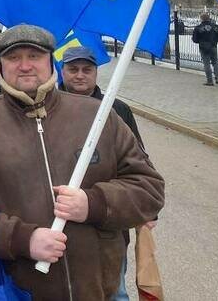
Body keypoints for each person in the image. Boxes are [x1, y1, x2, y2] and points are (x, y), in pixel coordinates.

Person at [0, 25, 165, 300]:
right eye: (13, 58)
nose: (25, 66)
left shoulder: (97, 115)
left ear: (51, 61)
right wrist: (22, 239)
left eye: (34, 55)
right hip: (15, 290)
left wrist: (94, 204)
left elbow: (149, 188)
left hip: (98, 289)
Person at [57, 45, 152, 301]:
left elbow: (140, 163)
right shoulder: (49, 109)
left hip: (109, 219)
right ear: (62, 71)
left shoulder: (117, 110)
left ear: (96, 72)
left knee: (113, 290)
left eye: (86, 69)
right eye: (73, 69)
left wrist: (147, 211)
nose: (79, 75)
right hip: (60, 219)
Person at [192, 12, 218, 86]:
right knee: (215, 63)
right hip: (213, 46)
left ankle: (210, 81)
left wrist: (200, 42)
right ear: (209, 18)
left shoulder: (198, 28)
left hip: (203, 47)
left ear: (201, 19)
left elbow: (195, 39)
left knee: (206, 64)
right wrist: (215, 41)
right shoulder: (215, 26)